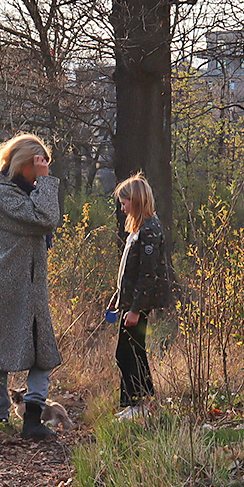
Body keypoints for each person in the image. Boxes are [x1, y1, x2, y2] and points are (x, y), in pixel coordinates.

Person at [0, 132, 62, 440]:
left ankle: (32, 418)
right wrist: (46, 181)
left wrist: (41, 181)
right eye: (37, 166)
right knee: (0, 354)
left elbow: (44, 216)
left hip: (31, 287)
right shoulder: (2, 196)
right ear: (22, 163)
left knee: (43, 352)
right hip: (6, 287)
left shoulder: (22, 192)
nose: (41, 173)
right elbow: (46, 218)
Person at [107, 173, 167, 415]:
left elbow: (147, 274)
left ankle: (138, 403)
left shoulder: (150, 230)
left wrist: (135, 309)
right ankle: (135, 404)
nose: (122, 208)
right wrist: (118, 296)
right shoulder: (138, 229)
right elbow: (128, 270)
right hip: (130, 301)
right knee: (133, 351)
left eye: (124, 203)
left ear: (137, 200)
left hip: (138, 304)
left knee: (126, 353)